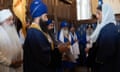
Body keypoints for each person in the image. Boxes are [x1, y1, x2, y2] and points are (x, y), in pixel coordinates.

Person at [23, 0, 54, 72]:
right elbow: (45, 58)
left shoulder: (38, 31)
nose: (47, 19)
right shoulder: (34, 33)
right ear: (38, 16)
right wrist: (59, 51)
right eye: (45, 16)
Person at [87, 3, 118, 72]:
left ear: (106, 14)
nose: (97, 16)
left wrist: (91, 52)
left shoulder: (108, 30)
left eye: (99, 13)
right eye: (96, 14)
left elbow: (104, 55)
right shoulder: (108, 27)